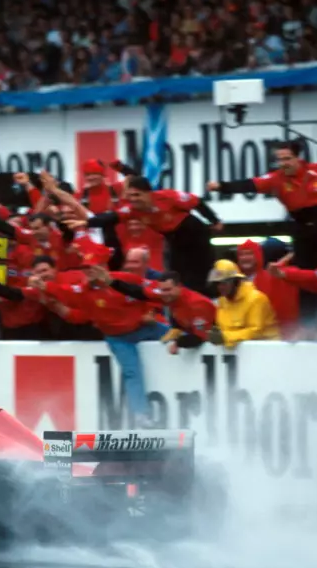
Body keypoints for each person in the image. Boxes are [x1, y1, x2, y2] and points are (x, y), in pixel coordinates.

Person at [207, 140, 317, 326]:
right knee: (303, 279)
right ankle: (308, 327)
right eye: (280, 160)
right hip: (301, 230)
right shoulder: (277, 178)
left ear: (298, 158)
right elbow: (250, 184)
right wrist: (222, 186)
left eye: (287, 159)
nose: (284, 163)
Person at [42, 244, 170, 428]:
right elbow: (64, 294)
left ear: (103, 267)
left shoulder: (126, 279)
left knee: (178, 336)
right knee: (132, 372)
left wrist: (152, 310)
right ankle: (142, 415)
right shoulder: (83, 290)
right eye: (86, 269)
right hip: (118, 338)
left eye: (92, 268)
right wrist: (44, 287)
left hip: (144, 327)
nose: (88, 273)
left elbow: (156, 291)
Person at [66, 176, 222, 293]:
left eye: (137, 195)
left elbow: (197, 202)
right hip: (174, 239)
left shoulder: (168, 196)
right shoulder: (133, 210)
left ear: (148, 193)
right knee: (178, 278)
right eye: (130, 196)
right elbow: (110, 217)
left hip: (195, 233)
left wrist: (214, 220)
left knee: (204, 272)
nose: (133, 200)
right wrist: (86, 223)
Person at [101, 268, 217, 354]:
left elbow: (200, 338)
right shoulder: (168, 296)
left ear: (179, 286)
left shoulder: (197, 304)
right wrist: (113, 283)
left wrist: (178, 343)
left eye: (168, 290)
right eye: (162, 290)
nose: (165, 294)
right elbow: (139, 293)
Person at [207, 259, 280, 347]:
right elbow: (224, 328)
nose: (220, 287)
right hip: (237, 351)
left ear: (236, 281)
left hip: (268, 349)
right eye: (217, 283)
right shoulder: (222, 301)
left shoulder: (256, 299)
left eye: (224, 283)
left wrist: (225, 337)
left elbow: (255, 331)